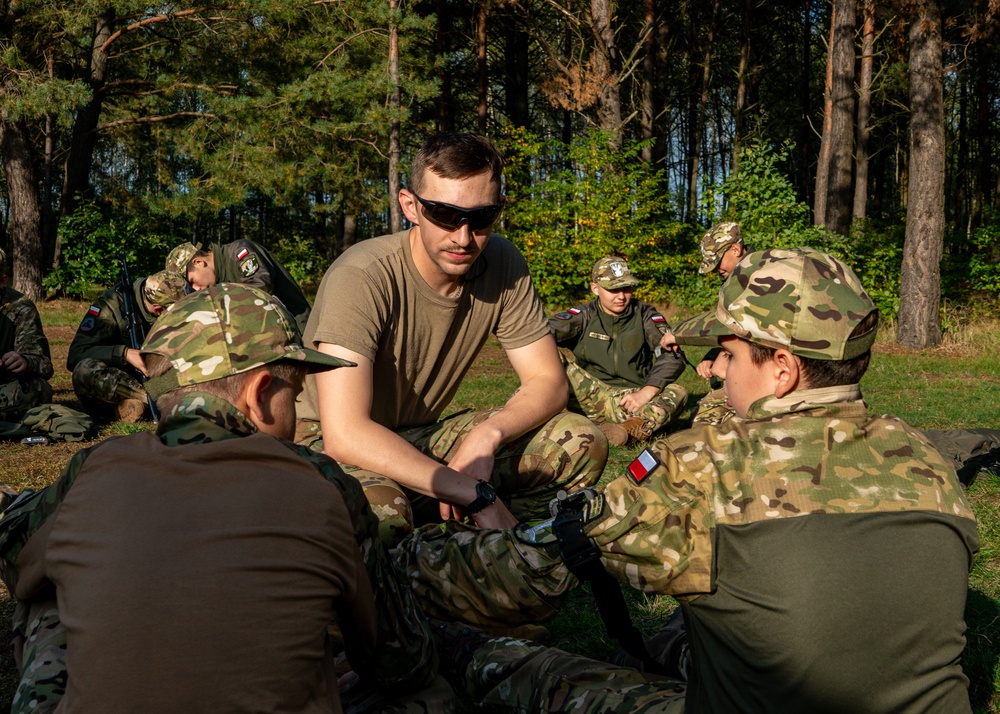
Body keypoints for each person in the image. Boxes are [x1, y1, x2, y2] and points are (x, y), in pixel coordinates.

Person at [393, 247, 980, 713]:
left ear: (781, 368)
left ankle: (448, 648)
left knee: (540, 674)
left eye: (727, 354)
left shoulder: (705, 465)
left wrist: (404, 559)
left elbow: (530, 571)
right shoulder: (926, 458)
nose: (718, 373)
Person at [0, 283, 438, 714]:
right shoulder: (322, 480)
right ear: (261, 393)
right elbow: (403, 662)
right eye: (297, 394)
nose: (300, 409)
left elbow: (14, 551)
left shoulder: (95, 468)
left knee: (45, 580)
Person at [296, 132, 606, 547]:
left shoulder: (503, 262)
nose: (463, 237)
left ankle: (514, 556)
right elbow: (345, 433)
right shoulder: (363, 275)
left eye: (481, 218)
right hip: (325, 447)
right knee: (385, 513)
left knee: (579, 441)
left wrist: (487, 436)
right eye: (444, 214)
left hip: (418, 434)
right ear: (410, 206)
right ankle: (443, 560)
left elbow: (549, 383)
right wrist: (473, 493)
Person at [548, 256, 687, 446]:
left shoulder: (646, 315)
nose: (621, 296)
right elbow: (539, 334)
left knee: (678, 392)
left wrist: (647, 392)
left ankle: (627, 431)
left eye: (626, 288)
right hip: (589, 396)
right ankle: (548, 412)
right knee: (545, 351)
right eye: (613, 289)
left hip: (631, 401)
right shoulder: (584, 315)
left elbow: (673, 354)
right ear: (595, 288)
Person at [66, 270, 187, 422]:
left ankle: (140, 406)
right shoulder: (110, 307)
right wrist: (124, 354)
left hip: (161, 374)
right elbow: (76, 354)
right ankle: (156, 400)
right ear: (157, 310)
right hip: (123, 379)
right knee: (85, 370)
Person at [166, 238, 312, 335]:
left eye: (192, 281)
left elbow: (261, 287)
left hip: (299, 328)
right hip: (277, 335)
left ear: (198, 262)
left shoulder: (238, 251)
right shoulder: (218, 281)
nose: (196, 289)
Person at [0, 249, 54, 421]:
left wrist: (25, 361)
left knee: (37, 389)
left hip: (4, 385)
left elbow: (44, 365)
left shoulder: (20, 308)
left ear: (2, 281)